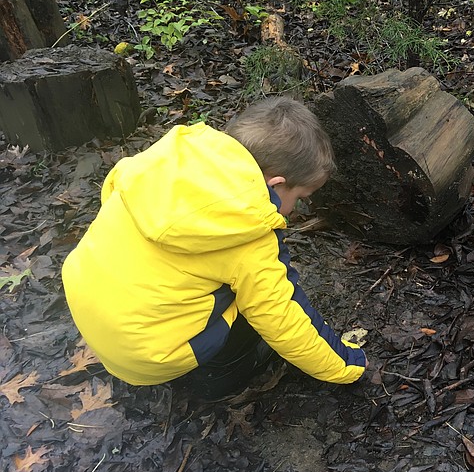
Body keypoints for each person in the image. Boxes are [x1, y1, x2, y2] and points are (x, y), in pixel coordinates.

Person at [62, 97, 367, 399]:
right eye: (301, 196)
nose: (298, 207)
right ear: (275, 185)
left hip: (90, 308)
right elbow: (285, 318)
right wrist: (348, 365)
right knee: (255, 303)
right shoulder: (247, 233)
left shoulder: (164, 158)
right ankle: (218, 375)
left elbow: (111, 199)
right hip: (148, 356)